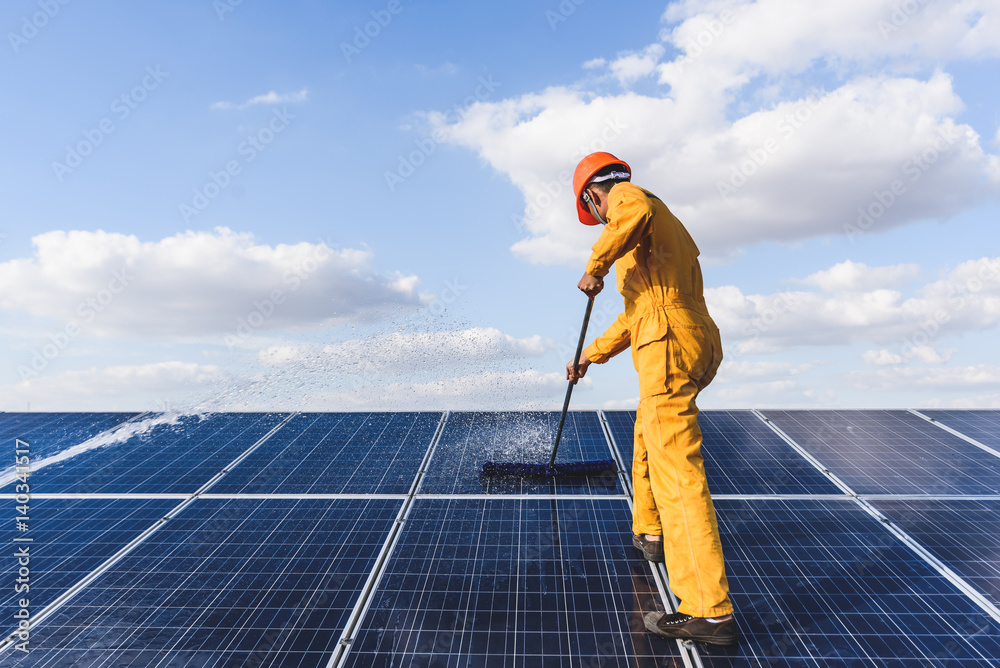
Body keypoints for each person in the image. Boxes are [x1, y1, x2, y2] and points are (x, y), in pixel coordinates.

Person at [565, 152, 737, 646]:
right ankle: (652, 532)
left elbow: (630, 213)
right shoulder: (664, 226)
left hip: (668, 343)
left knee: (678, 474)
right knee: (649, 433)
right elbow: (635, 314)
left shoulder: (628, 199)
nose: (600, 215)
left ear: (593, 195)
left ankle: (710, 610)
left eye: (592, 209)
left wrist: (595, 264)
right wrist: (590, 357)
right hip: (690, 337)